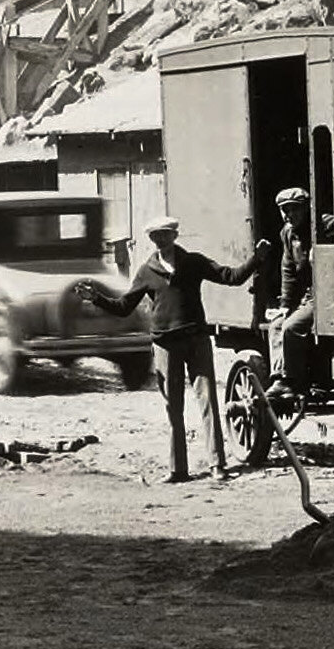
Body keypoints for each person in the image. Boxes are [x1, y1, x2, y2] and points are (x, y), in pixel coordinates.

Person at [123, 214, 249, 485]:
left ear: (175, 236)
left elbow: (231, 277)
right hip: (165, 345)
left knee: (208, 401)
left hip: (196, 340)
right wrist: (95, 298)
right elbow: (124, 306)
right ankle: (178, 470)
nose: (161, 239)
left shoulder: (194, 262)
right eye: (156, 235)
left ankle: (217, 464)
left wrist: (256, 260)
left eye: (165, 234)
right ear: (151, 239)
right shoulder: (146, 271)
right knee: (174, 407)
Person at [246, 185, 319, 469]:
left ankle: (289, 380)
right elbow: (288, 272)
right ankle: (279, 379)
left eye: (295, 209)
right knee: (277, 323)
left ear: (306, 208)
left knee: (290, 328)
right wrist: (286, 304)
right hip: (307, 296)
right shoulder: (288, 234)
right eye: (285, 210)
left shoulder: (325, 226)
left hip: (327, 295)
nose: (290, 214)